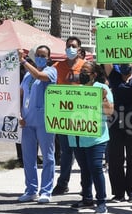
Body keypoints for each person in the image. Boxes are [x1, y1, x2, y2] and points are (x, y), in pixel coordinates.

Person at [69, 60, 114, 214]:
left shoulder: (102, 88)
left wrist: (103, 98)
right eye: (81, 70)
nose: (82, 73)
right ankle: (87, 198)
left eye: (85, 71)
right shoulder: (76, 89)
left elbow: (109, 112)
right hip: (77, 136)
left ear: (94, 75)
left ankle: (101, 201)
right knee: (84, 169)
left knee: (95, 169)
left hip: (96, 137)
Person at [104, 59, 132, 203]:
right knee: (115, 159)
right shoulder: (114, 77)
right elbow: (106, 60)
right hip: (116, 123)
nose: (126, 65)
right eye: (123, 62)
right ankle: (118, 193)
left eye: (129, 62)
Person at [18, 45, 58, 203]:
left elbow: (40, 76)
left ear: (48, 58)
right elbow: (20, 94)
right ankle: (31, 190)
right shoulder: (27, 76)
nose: (41, 58)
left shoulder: (51, 71)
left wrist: (23, 61)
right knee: (28, 158)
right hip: (27, 121)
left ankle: (46, 191)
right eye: (38, 55)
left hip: (44, 121)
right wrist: (19, 114)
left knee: (48, 157)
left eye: (44, 55)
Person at [52, 36, 85, 196]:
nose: (70, 48)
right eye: (68, 46)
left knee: (82, 151)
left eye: (73, 46)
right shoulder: (57, 66)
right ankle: (62, 183)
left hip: (81, 116)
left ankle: (85, 185)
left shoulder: (85, 67)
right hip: (63, 116)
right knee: (66, 151)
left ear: (79, 49)